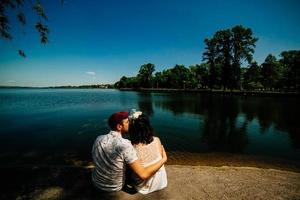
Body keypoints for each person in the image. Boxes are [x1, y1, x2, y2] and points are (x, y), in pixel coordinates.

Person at [91, 111, 167, 193]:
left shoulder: (98, 138)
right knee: (130, 163)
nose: (130, 124)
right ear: (119, 127)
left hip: (96, 182)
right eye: (127, 122)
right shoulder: (125, 145)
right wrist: (164, 159)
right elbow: (143, 174)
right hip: (114, 187)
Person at [129, 110, 168, 194]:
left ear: (132, 129)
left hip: (144, 186)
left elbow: (142, 174)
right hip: (161, 182)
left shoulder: (132, 147)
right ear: (148, 126)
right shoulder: (157, 140)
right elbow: (160, 159)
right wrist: (164, 159)